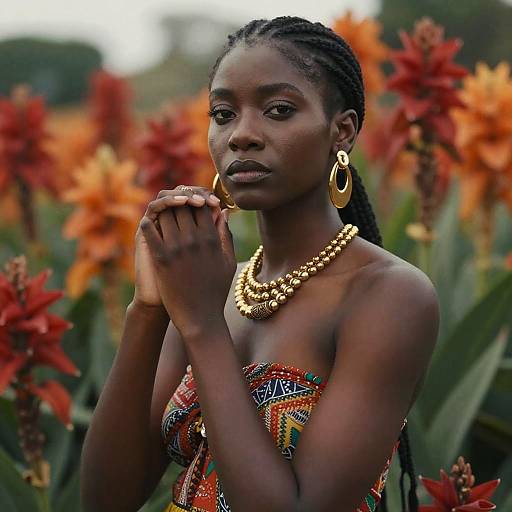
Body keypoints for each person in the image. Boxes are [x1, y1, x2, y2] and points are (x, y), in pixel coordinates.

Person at [80, 16, 439, 512]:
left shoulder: (390, 295)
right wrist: (149, 309)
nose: (241, 135)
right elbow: (105, 499)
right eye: (223, 114)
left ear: (342, 131)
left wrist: (204, 325)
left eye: (278, 110)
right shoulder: (212, 286)